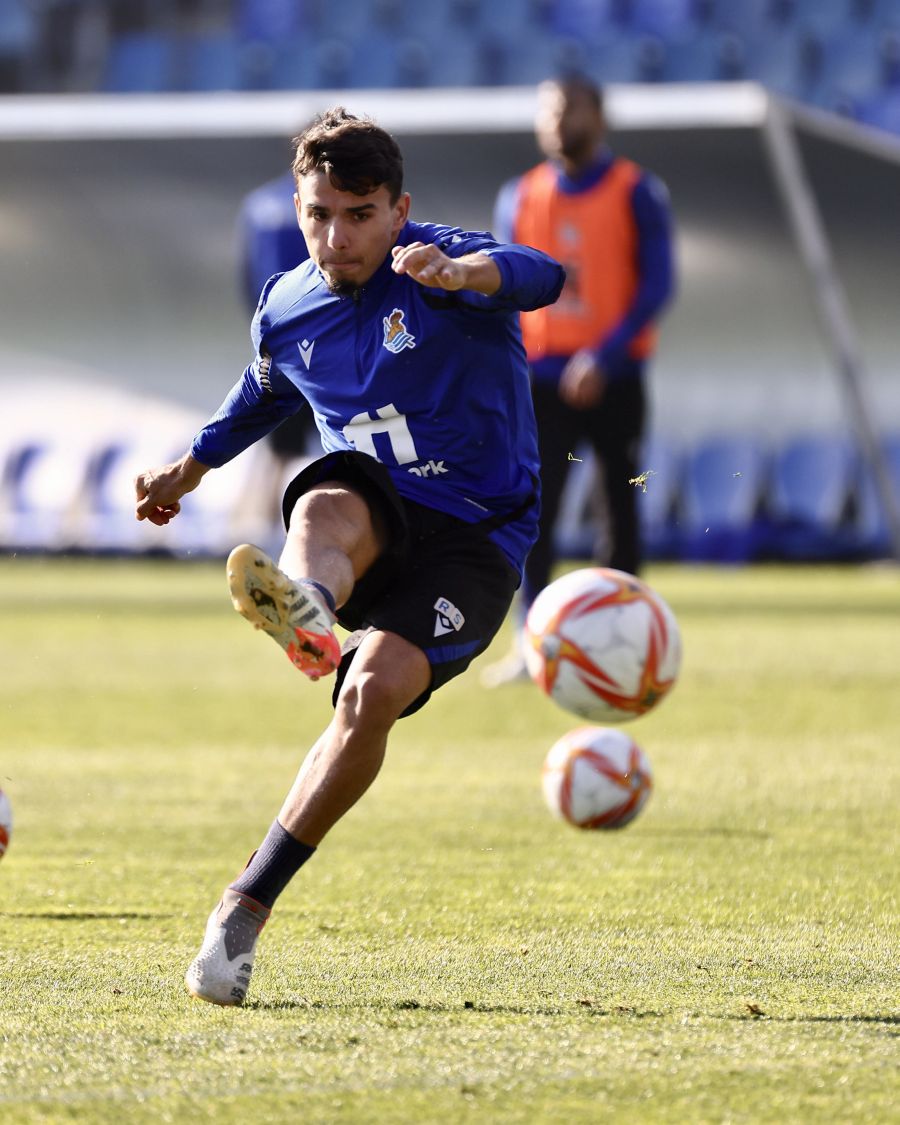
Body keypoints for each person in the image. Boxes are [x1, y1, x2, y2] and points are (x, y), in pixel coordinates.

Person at [134, 107, 564, 1007]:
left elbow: (542, 273)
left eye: (359, 213)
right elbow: (259, 390)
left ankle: (244, 909)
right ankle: (309, 609)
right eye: (318, 213)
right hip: (378, 515)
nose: (337, 235)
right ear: (297, 209)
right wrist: (189, 467)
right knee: (329, 490)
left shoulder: (442, 263)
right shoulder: (289, 305)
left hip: (480, 537)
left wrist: (465, 272)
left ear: (397, 208)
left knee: (370, 698)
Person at [481, 73, 676, 687]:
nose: (557, 120)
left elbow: (657, 284)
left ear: (599, 116)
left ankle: (628, 642)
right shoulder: (519, 194)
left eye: (568, 108)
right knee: (533, 508)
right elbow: (500, 285)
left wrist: (608, 355)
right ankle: (531, 640)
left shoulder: (637, 190)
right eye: (548, 110)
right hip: (541, 380)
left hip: (614, 377)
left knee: (620, 505)